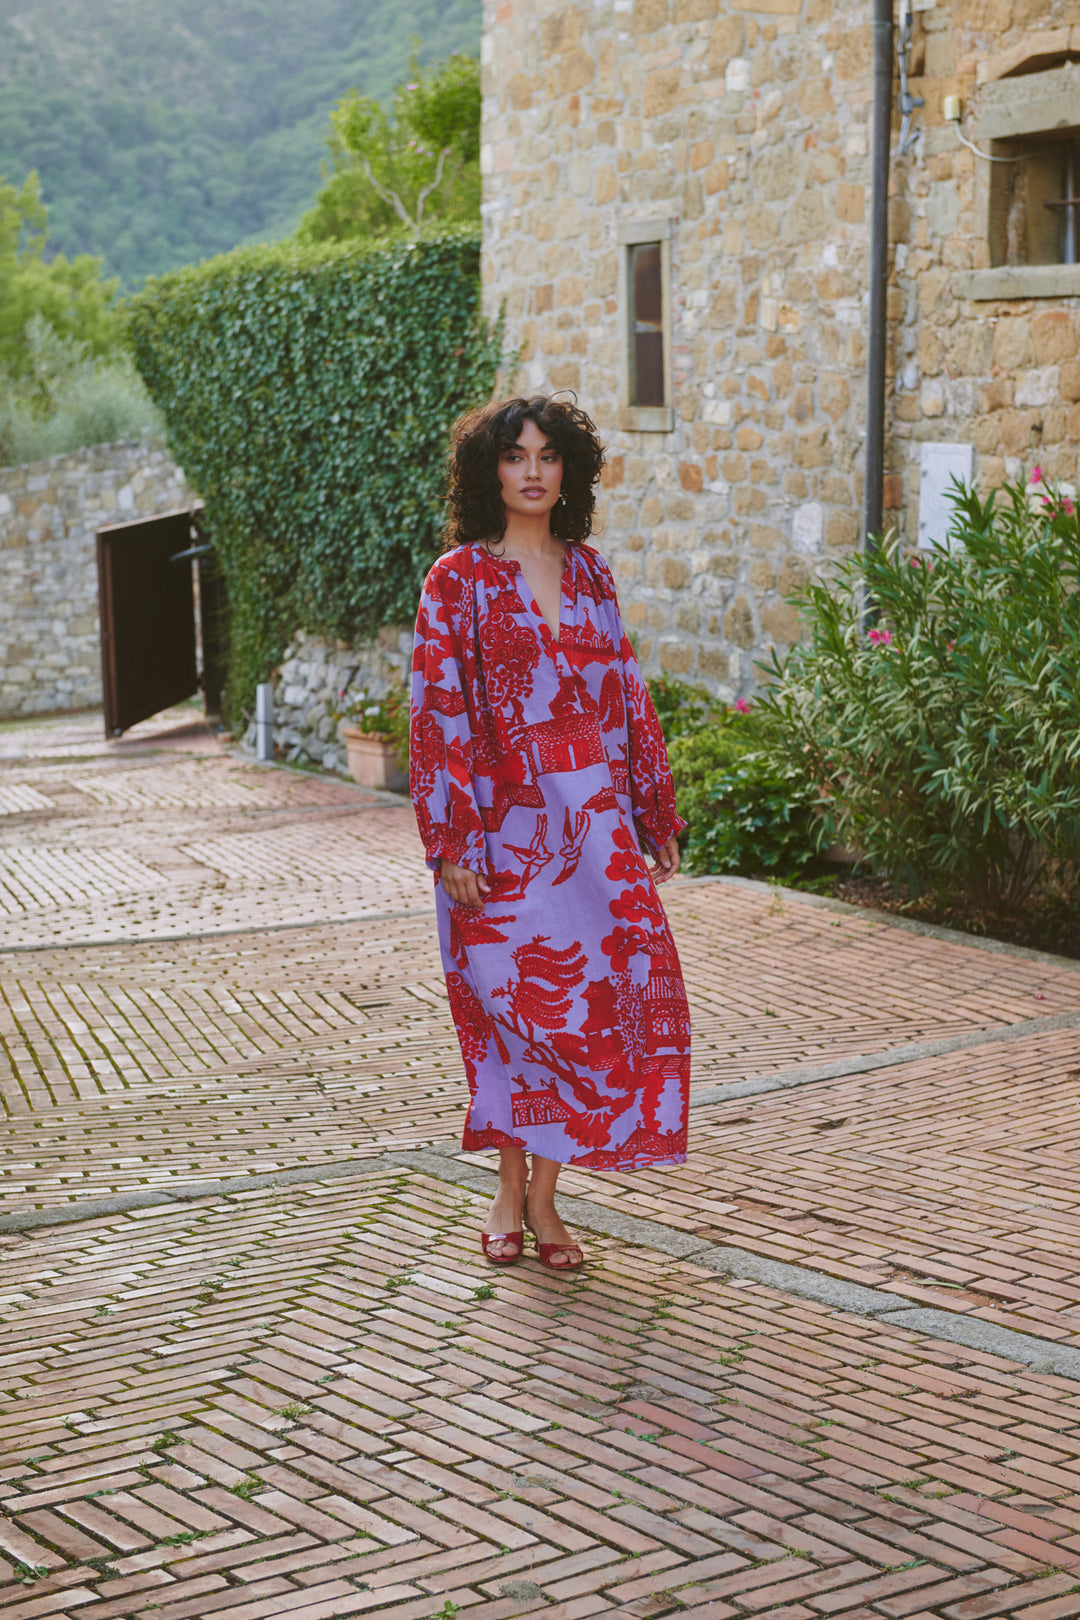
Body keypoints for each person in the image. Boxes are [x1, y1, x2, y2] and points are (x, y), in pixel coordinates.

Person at [409, 394, 690, 1272]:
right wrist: (452, 840)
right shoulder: (456, 580)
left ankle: (546, 1197)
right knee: (510, 1011)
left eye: (547, 456)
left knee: (598, 1006)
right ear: (487, 472)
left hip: (596, 832)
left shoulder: (591, 574)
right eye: (514, 456)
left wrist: (653, 808)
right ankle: (507, 1188)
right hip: (500, 839)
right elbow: (437, 712)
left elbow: (627, 696)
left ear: (569, 469)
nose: (531, 471)